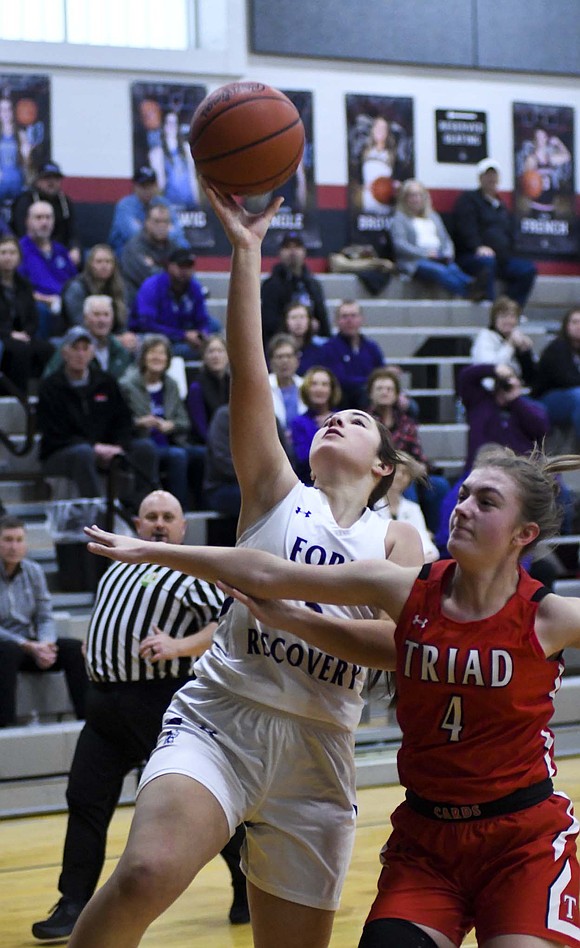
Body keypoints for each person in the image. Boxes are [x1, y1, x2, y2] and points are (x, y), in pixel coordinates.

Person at [64, 182, 423, 948]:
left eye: (356, 420)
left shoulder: (398, 539)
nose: (335, 418)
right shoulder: (272, 489)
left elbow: (399, 649)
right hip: (221, 718)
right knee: (142, 876)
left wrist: (286, 612)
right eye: (329, 413)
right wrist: (246, 249)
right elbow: (250, 372)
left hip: (319, 751)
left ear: (385, 467)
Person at [85, 443, 580, 948]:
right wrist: (152, 550)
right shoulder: (403, 588)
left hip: (521, 839)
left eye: (486, 502)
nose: (464, 506)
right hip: (429, 840)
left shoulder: (552, 616)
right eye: (465, 494)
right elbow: (266, 573)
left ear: (525, 534)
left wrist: (295, 618)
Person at [31, 490, 247, 942]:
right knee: (85, 799)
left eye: (169, 516)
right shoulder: (118, 566)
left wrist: (178, 646)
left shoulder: (191, 567)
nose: (160, 523)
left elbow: (226, 625)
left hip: (160, 702)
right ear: (137, 523)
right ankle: (73, 903)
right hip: (105, 707)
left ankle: (246, 884)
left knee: (193, 807)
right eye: (151, 516)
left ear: (183, 527)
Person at [37, 325, 159, 512]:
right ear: (64, 352)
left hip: (107, 447)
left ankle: (140, 508)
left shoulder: (106, 382)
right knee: (83, 453)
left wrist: (118, 445)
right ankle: (101, 515)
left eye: (85, 348)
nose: (80, 354)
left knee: (145, 449)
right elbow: (54, 433)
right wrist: (95, 447)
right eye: (75, 348)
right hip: (61, 453)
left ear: (92, 353)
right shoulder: (50, 387)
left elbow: (123, 420)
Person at [0, 514, 87, 728]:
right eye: (8, 540)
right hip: (7, 647)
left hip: (31, 645)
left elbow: (45, 615)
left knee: (74, 648)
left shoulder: (34, 571)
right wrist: (27, 645)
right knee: (7, 652)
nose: (14, 546)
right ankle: (6, 728)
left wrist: (45, 644)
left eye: (19, 540)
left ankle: (87, 721)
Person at [120, 334, 203, 510]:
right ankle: (178, 510)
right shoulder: (127, 385)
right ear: (143, 357)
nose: (157, 357)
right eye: (152, 353)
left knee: (202, 454)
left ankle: (200, 506)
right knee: (177, 457)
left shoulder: (171, 385)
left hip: (170, 440)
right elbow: (119, 423)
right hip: (141, 443)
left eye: (161, 353)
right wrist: (140, 422)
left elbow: (184, 421)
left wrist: (171, 425)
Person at [367, 366, 449, 534]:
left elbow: (417, 453)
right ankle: (411, 533)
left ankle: (435, 534)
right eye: (380, 388)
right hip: (377, 473)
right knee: (402, 480)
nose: (384, 392)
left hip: (407, 470)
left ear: (397, 394)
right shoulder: (366, 422)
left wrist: (422, 467)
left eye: (389, 389)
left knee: (439, 485)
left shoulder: (407, 422)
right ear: (371, 393)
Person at [453, 158, 537, 306]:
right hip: (473, 256)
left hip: (501, 259)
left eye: (494, 175)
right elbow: (466, 228)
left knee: (527, 269)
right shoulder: (468, 200)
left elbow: (509, 233)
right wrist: (477, 246)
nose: (491, 178)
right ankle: (490, 306)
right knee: (487, 262)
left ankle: (511, 309)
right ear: (480, 178)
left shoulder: (502, 205)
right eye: (487, 175)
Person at [390, 179, 484, 300]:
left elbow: (446, 239)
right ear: (404, 198)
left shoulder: (433, 216)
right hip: (415, 261)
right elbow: (400, 245)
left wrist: (448, 253)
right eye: (412, 195)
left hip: (439, 257)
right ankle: (469, 293)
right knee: (440, 271)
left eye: (419, 195)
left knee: (453, 268)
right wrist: (425, 254)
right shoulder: (400, 218)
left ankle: (474, 284)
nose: (416, 199)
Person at [457, 361, 550, 473]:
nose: (507, 383)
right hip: (479, 470)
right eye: (505, 379)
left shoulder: (531, 407)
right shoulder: (479, 402)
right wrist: (493, 369)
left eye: (512, 378)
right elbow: (465, 377)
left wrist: (516, 400)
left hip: (519, 474)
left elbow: (541, 430)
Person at [130, 247, 219, 358]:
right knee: (176, 348)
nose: (185, 270)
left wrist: (201, 333)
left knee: (215, 326)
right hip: (157, 335)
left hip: (181, 332)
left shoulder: (194, 287)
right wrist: (183, 335)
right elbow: (146, 323)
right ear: (169, 266)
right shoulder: (152, 286)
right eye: (181, 266)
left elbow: (202, 319)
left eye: (189, 266)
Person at [0, 233, 54, 392]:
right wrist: (10, 334)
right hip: (3, 335)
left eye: (12, 253)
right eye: (3, 253)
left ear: (19, 257)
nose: (8, 257)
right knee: (20, 351)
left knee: (48, 349)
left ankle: (45, 397)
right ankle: (18, 397)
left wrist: (26, 333)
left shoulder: (24, 285)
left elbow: (33, 318)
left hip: (23, 335)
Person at [18, 200, 77, 338]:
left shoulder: (61, 250)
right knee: (40, 310)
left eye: (48, 217)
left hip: (66, 304)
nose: (44, 222)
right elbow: (19, 290)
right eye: (38, 218)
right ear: (27, 221)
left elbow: (75, 282)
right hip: (40, 306)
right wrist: (47, 300)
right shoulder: (20, 251)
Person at [260, 231, 330, 344]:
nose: (292, 252)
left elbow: (323, 319)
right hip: (280, 342)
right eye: (287, 247)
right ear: (280, 253)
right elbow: (268, 323)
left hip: (312, 342)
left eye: (297, 247)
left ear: (304, 252)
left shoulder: (313, 284)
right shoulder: (271, 285)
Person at [10, 160, 82, 266]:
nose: (51, 182)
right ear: (37, 180)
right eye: (47, 178)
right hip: (32, 251)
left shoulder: (65, 201)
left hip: (60, 251)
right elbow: (21, 232)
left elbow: (74, 230)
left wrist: (75, 248)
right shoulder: (25, 200)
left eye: (56, 178)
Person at [318, 299, 385, 409]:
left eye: (353, 316)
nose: (349, 320)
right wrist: (369, 382)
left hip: (369, 396)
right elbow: (339, 380)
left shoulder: (372, 347)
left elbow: (381, 373)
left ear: (361, 319)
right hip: (342, 400)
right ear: (337, 321)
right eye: (344, 316)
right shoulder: (329, 348)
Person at [62, 243, 133, 347]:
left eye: (108, 262)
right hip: (80, 338)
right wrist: (112, 339)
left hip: (112, 337)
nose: (104, 266)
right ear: (90, 264)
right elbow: (79, 322)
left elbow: (122, 321)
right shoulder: (77, 288)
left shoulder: (120, 288)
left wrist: (125, 336)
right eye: (99, 262)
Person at [107, 165, 187, 257]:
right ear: (135, 186)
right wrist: (162, 232)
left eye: (151, 185)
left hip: (158, 251)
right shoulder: (125, 205)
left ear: (156, 185)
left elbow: (178, 232)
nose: (147, 190)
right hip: (127, 254)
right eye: (143, 186)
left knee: (182, 248)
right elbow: (134, 235)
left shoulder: (164, 203)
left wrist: (157, 233)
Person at [375, 452, 439, 563]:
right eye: (396, 470)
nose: (399, 476)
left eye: (405, 473)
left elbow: (428, 547)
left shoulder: (413, 509)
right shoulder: (371, 506)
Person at [532, 307, 580, 443]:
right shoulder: (557, 347)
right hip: (546, 400)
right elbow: (566, 379)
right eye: (574, 322)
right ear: (566, 326)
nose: (578, 326)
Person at [120, 203, 181, 308]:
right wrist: (170, 271)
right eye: (157, 221)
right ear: (147, 223)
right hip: (139, 305)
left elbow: (183, 276)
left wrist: (156, 267)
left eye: (165, 221)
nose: (161, 226)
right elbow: (150, 280)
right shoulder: (134, 247)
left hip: (169, 305)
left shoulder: (174, 248)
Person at [470, 294, 538, 386]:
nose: (508, 321)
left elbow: (530, 375)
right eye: (503, 316)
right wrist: (509, 345)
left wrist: (525, 351)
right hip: (489, 389)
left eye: (512, 317)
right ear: (494, 319)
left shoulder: (517, 336)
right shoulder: (485, 337)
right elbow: (491, 368)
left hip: (513, 388)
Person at [290, 365, 342, 483]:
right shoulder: (298, 423)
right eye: (314, 384)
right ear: (306, 389)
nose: (319, 389)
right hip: (309, 482)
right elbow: (303, 458)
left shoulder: (343, 418)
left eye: (324, 384)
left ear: (331, 389)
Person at [148, 110, 199, 208]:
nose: (172, 126)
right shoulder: (157, 152)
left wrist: (196, 200)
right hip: (169, 204)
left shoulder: (186, 149)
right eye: (169, 122)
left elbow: (192, 177)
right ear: (164, 125)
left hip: (189, 201)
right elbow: (159, 183)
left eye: (174, 123)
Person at [186, 333, 230, 446]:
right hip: (206, 444)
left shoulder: (233, 383)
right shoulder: (196, 387)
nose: (216, 356)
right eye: (211, 351)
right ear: (203, 356)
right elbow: (200, 428)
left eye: (220, 351)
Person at [267, 332, 307, 441]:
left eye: (289, 356)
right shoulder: (263, 387)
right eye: (279, 357)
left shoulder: (306, 385)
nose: (285, 361)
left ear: (297, 360)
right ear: (271, 361)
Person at [360, 116, 396, 214]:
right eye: (378, 127)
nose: (380, 131)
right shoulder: (364, 150)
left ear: (387, 131)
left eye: (383, 128)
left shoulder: (393, 153)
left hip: (385, 203)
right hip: (367, 201)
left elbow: (398, 179)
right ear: (373, 130)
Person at [0, 94, 31, 205]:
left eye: (8, 109)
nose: (5, 113)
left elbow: (27, 164)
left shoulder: (21, 134)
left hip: (17, 184)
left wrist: (26, 155)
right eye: (2, 110)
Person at [282, 300, 325, 375]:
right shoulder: (278, 349)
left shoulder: (318, 351)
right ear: (286, 321)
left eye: (302, 317)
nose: (298, 322)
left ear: (309, 321)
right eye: (293, 317)